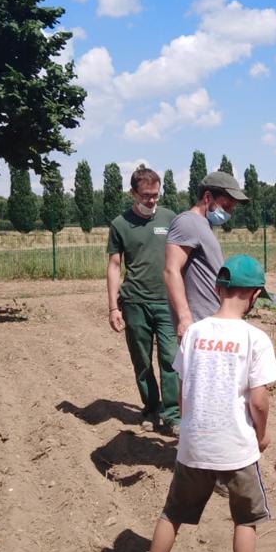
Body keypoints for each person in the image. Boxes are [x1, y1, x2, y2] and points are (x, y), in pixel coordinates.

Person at [128, 255, 276, 552]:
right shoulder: (255, 339)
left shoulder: (194, 332)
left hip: (195, 445)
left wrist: (190, 423)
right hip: (236, 448)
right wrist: (262, 435)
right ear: (255, 294)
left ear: (217, 288)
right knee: (245, 520)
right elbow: (259, 401)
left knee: (173, 513)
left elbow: (182, 390)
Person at [107, 167, 180, 435]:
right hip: (134, 302)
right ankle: (151, 410)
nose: (151, 201)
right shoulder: (120, 224)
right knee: (142, 361)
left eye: (155, 195)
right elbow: (115, 265)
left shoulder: (170, 219)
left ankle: (173, 415)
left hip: (166, 301)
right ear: (133, 193)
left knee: (171, 359)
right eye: (146, 195)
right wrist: (114, 307)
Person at [164, 170, 249, 342]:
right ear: (208, 197)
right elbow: (171, 270)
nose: (229, 212)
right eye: (226, 206)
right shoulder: (187, 222)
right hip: (198, 325)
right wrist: (184, 317)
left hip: (211, 322)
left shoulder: (203, 225)